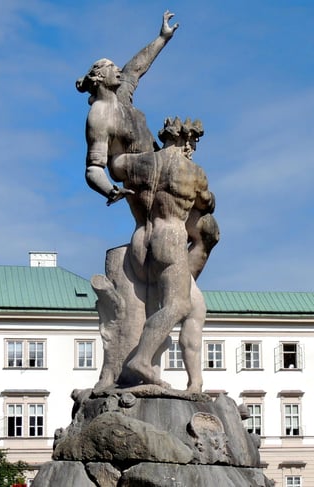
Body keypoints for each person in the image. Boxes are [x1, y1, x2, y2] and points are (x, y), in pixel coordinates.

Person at [108, 117, 216, 390]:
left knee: (196, 307)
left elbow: (114, 166)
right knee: (178, 306)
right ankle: (142, 360)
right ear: (184, 139)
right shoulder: (193, 171)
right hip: (170, 239)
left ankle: (195, 383)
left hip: (141, 240)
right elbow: (207, 203)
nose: (192, 146)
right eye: (192, 141)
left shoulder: (139, 163)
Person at [76, 10, 178, 205]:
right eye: (111, 67)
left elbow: (136, 67)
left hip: (154, 159)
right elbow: (94, 168)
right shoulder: (99, 116)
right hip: (136, 170)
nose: (117, 70)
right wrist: (112, 191)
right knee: (176, 169)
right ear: (99, 77)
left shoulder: (120, 95)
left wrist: (163, 38)